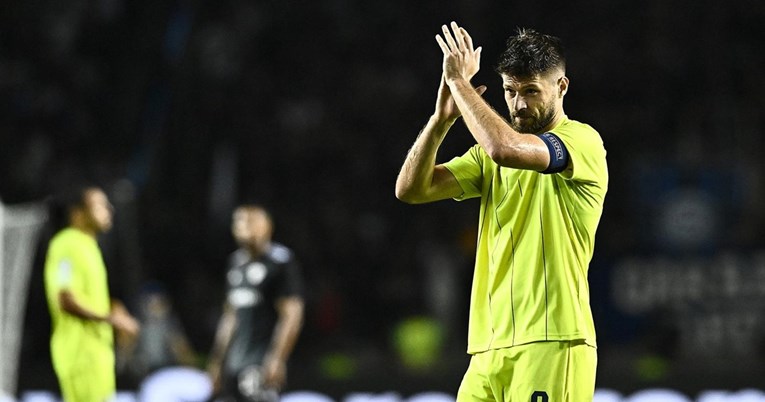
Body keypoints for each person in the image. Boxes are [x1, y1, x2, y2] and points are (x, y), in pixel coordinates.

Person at [395, 22, 608, 402]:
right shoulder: (486, 159)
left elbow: (503, 148)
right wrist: (441, 121)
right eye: (510, 91)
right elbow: (411, 189)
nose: (519, 104)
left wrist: (459, 84)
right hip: (488, 347)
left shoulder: (582, 142)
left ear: (561, 87)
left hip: (553, 340)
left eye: (531, 91)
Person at [43, 185, 141, 402]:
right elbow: (65, 299)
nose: (109, 210)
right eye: (100, 205)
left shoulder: (90, 247)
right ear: (78, 213)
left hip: (98, 353)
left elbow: (87, 298)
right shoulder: (66, 244)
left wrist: (113, 308)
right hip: (80, 353)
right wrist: (112, 319)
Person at [207, 204, 305, 402]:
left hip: (261, 362)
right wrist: (217, 362)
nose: (243, 226)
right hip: (234, 363)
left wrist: (277, 358)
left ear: (267, 226)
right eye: (239, 221)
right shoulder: (235, 263)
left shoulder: (280, 262)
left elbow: (292, 315)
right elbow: (230, 316)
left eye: (251, 221)